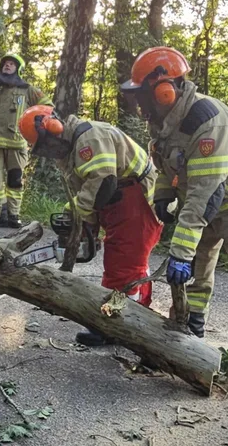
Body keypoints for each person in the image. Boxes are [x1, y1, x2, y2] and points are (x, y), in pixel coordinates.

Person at [18, 105, 162, 346]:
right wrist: (87, 228)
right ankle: (136, 314)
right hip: (119, 199)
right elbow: (89, 190)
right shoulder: (70, 150)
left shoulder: (89, 139)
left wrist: (78, 215)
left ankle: (113, 323)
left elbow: (103, 182)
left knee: (122, 264)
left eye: (46, 144)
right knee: (133, 263)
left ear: (54, 128)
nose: (48, 151)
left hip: (136, 197)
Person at [121, 46, 228, 338]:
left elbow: (203, 196)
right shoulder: (165, 120)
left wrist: (180, 253)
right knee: (199, 269)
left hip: (216, 202)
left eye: (143, 96)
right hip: (205, 205)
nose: (141, 105)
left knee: (189, 258)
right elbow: (167, 165)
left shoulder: (207, 120)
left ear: (164, 90)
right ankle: (189, 331)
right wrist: (163, 194)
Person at [0, 54, 53, 229]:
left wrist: (32, 124)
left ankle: (13, 216)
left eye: (11, 64)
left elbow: (47, 107)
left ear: (18, 69)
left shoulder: (28, 90)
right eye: (5, 63)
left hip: (16, 143)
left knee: (15, 180)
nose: (7, 66)